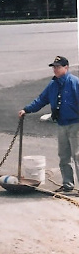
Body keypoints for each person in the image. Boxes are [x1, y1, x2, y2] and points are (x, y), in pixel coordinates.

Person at [19, 55, 79, 193]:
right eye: (54, 67)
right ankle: (68, 184)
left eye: (58, 67)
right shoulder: (53, 85)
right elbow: (41, 100)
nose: (55, 70)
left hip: (76, 124)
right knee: (63, 156)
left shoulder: (74, 83)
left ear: (66, 67)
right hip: (61, 124)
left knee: (77, 156)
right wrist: (26, 109)